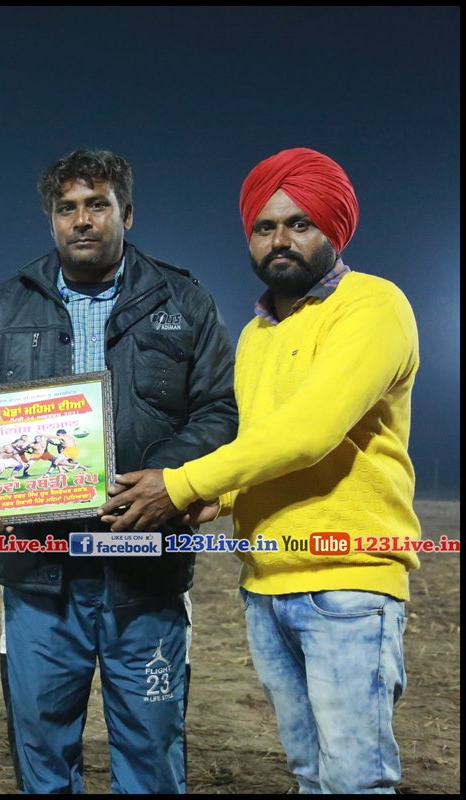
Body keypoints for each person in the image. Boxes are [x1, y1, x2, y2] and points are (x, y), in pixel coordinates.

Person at [100, 147, 420, 793]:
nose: (280, 240)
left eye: (300, 224)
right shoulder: (256, 334)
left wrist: (184, 483)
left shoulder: (372, 306)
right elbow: (259, 443)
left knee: (355, 780)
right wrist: (218, 501)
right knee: (309, 774)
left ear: (334, 228)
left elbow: (308, 433)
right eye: (264, 226)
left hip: (348, 583)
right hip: (266, 583)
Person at [0, 149, 238, 793]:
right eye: (67, 208)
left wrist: (167, 480)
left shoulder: (184, 301)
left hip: (146, 565)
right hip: (40, 572)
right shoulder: (4, 307)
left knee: (151, 749)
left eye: (97, 205)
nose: (81, 220)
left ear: (126, 214)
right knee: (42, 751)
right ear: (51, 219)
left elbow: (221, 407)